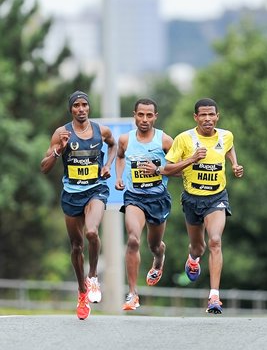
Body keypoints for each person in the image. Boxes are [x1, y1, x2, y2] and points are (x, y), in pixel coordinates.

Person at [41, 90, 117, 320]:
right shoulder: (61, 133)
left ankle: (93, 278)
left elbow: (113, 146)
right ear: (71, 109)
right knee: (76, 246)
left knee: (92, 232)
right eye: (77, 106)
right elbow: (44, 167)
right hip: (72, 193)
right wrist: (59, 149)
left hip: (96, 189)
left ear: (89, 108)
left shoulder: (101, 131)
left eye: (85, 105)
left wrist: (107, 166)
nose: (81, 109)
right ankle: (82, 292)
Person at [164, 98, 244, 314]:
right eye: (203, 115)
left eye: (211, 115)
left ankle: (214, 297)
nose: (208, 119)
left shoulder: (226, 135)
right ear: (196, 117)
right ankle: (193, 260)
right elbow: (167, 169)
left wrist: (234, 163)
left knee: (215, 241)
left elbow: (229, 147)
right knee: (198, 247)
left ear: (217, 116)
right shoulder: (184, 139)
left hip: (216, 197)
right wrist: (191, 159)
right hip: (191, 199)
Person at [115, 98, 175, 311]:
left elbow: (177, 167)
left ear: (155, 117)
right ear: (134, 115)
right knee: (133, 239)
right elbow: (120, 157)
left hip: (158, 198)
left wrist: (158, 170)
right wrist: (119, 176)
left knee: (153, 245)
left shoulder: (165, 141)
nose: (144, 119)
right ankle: (132, 293)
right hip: (134, 197)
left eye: (149, 115)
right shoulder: (125, 139)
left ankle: (159, 256)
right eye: (141, 115)